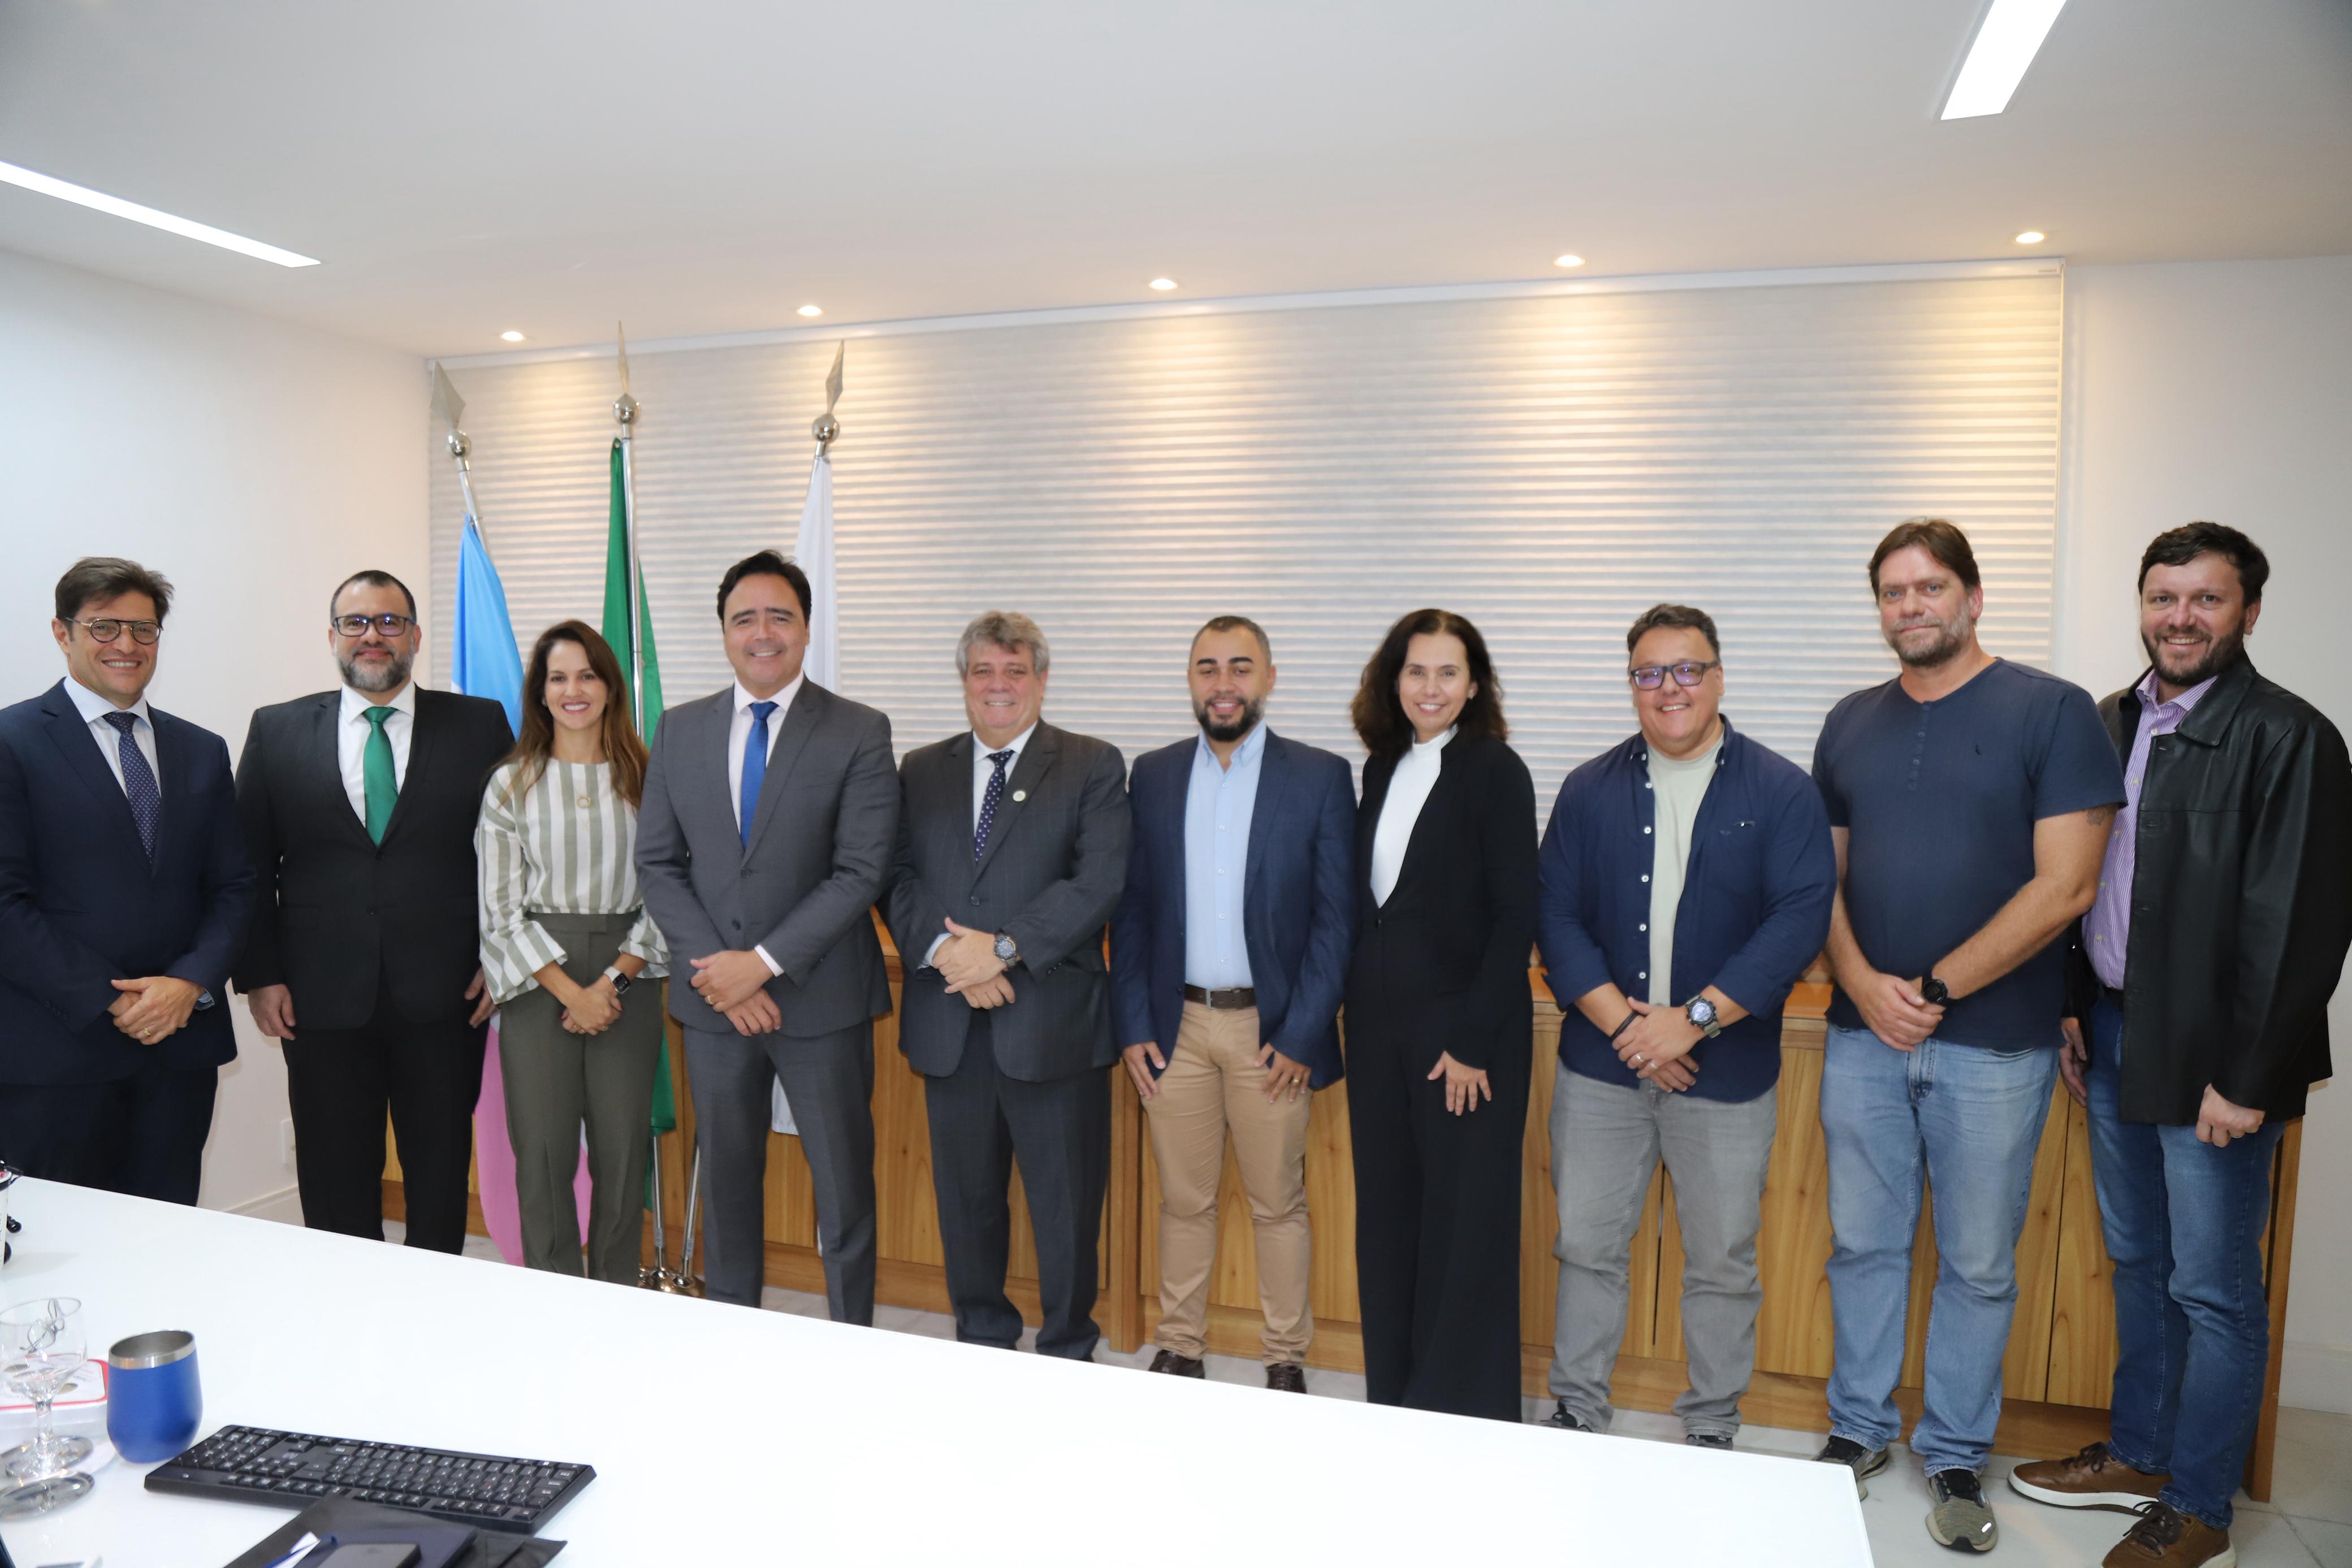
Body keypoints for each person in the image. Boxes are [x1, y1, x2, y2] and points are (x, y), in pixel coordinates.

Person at [2010, 525, 2352, 1568]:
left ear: (2249, 610)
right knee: (2142, 1262)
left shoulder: (2290, 735)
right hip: (2116, 1033)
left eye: (2207, 598)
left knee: (2213, 1284)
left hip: (2218, 1059)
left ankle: (2201, 1504)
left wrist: (2247, 1078)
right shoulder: (2111, 721)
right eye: (2164, 596)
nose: (2181, 617)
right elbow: (2082, 884)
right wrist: (2074, 1001)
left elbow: (2303, 923)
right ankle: (2143, 1452)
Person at [1809, 519, 2123, 1553]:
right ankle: (1855, 1430)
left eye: (1930, 586)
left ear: (1974, 596)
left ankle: (1952, 1450)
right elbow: (1826, 878)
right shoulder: (1851, 720)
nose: (1911, 606)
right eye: (1893, 591)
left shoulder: (2052, 710)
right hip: (1860, 1036)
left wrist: (1934, 987)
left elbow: (2067, 883)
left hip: (1996, 1045)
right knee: (1863, 1244)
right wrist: (1861, 979)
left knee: (1980, 1262)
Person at [1534, 604, 1834, 1445]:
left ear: (1718, 677)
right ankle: (1577, 1408)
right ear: (1632, 685)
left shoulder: (1779, 790)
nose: (1669, 688)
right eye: (1649, 673)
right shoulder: (1588, 789)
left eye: (1686, 669)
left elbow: (1798, 922)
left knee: (1722, 1262)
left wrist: (1693, 1021)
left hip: (1727, 1073)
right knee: (1587, 1244)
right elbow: (1555, 918)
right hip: (1602, 1069)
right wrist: (1637, 1033)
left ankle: (1710, 1424)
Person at [633, 551, 897, 1319]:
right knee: (727, 1188)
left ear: (807, 628)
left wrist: (764, 964)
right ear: (723, 633)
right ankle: (733, 1341)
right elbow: (658, 862)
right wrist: (722, 971)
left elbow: (860, 870)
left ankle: (854, 1340)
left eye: (779, 615)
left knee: (844, 1189)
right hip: (714, 1001)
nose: (762, 632)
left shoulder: (857, 731)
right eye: (744, 618)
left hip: (821, 1000)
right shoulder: (679, 729)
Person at [234, 570, 512, 1251]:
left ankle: (434, 1313)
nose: (373, 635)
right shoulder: (276, 730)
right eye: (356, 622)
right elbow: (246, 866)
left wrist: (500, 959)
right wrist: (260, 974)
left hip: (448, 996)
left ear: (415, 635)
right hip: (318, 999)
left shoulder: (480, 724)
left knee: (440, 1173)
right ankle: (342, 1316)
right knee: (333, 1177)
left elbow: (511, 855)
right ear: (332, 636)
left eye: (389, 621)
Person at [1110, 616, 1355, 1391]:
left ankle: (1286, 1354)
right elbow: (1135, 911)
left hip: (1271, 1032)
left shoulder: (1317, 776)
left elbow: (1334, 920)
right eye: (1208, 668)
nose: (1224, 683)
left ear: (1269, 677)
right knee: (1183, 1199)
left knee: (1278, 1202)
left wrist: (1304, 1031)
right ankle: (1180, 1342)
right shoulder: (1151, 774)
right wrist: (1133, 1026)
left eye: (1240, 667)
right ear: (1190, 680)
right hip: (1173, 1025)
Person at [885, 612, 1129, 1361]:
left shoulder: (1091, 764)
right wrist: (951, 953)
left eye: (1015, 672)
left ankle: (1067, 1348)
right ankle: (981, 1344)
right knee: (966, 1206)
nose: (999, 687)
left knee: (1065, 1209)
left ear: (1042, 680)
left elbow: (1099, 883)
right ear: (964, 682)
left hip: (1052, 1026)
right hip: (951, 1024)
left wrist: (1006, 951)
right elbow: (895, 876)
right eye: (984, 672)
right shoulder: (920, 769)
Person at [0, 557, 254, 1203]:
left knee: (168, 1238)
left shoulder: (201, 748)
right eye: (104, 627)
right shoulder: (13, 740)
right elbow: (6, 904)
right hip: (58, 1056)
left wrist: (187, 983)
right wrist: (114, 1000)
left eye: (144, 630)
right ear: (63, 633)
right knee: (61, 1253)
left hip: (179, 1052)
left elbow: (234, 885)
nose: (127, 646)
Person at [1343, 608, 1536, 1422]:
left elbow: (1514, 914)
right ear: (1394, 681)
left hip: (1466, 1038)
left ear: (1475, 683)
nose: (1431, 687)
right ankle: (1396, 1397)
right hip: (1381, 1033)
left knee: (1463, 1229)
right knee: (1389, 1216)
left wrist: (1469, 1042)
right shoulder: (1382, 767)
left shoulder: (1496, 769)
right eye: (1416, 671)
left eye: (1448, 672)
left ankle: (1462, 1413)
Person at [476, 621, 670, 1285]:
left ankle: (617, 1290)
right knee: (544, 1149)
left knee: (621, 1151)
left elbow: (669, 891)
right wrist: (571, 991)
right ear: (539, 692)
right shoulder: (510, 783)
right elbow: (500, 908)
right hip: (539, 984)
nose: (574, 689)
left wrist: (611, 981)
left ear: (611, 686)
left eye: (587, 674)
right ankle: (550, 1292)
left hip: (630, 977)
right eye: (558, 677)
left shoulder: (649, 778)